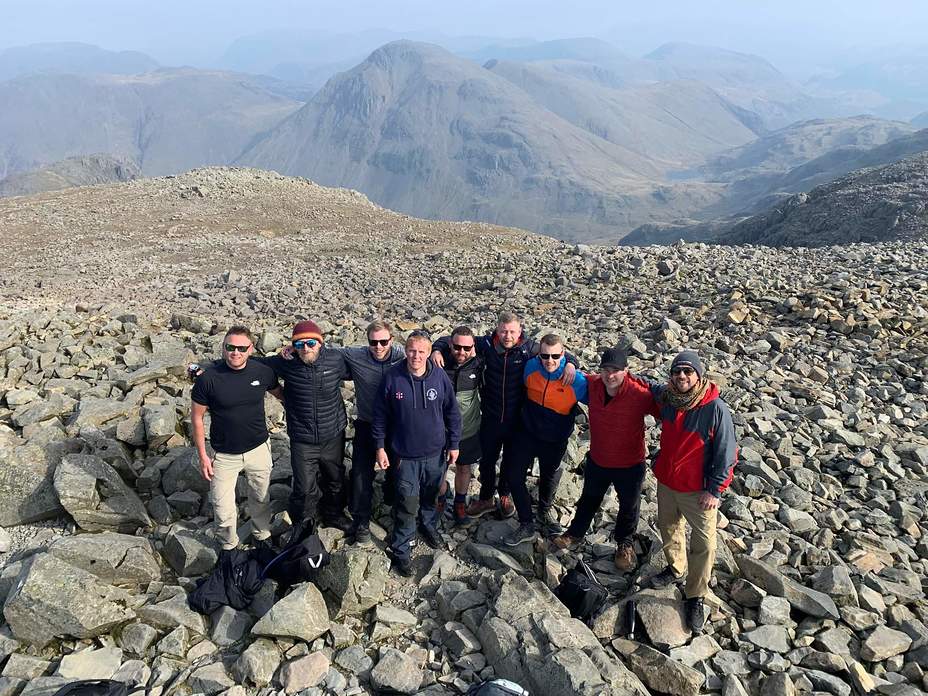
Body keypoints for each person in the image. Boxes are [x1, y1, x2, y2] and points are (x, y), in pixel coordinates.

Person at [431, 312, 576, 520]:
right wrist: (437, 349)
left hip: (517, 420)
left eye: (512, 332)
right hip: (490, 417)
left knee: (511, 460)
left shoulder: (529, 348)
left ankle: (505, 495)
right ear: (497, 330)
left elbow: (558, 352)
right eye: (504, 331)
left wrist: (570, 363)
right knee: (487, 461)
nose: (508, 336)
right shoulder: (486, 344)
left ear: (520, 331)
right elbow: (453, 339)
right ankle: (486, 498)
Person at [648, 350, 737, 633]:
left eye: (688, 372)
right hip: (667, 482)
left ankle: (696, 594)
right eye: (677, 372)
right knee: (669, 527)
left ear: (699, 375)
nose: (682, 376)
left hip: (698, 490)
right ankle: (675, 568)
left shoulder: (714, 408)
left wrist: (715, 490)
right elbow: (646, 386)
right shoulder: (670, 399)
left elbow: (727, 453)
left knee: (704, 544)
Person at [552, 347, 660, 573]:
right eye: (606, 369)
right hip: (599, 459)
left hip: (630, 464)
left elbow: (667, 408)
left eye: (616, 370)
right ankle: (575, 534)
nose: (610, 375)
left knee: (629, 506)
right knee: (589, 499)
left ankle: (624, 544)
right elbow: (557, 363)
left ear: (626, 371)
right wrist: (570, 362)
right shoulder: (592, 385)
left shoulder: (639, 394)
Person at [373, 332, 462, 577]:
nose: (416, 356)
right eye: (412, 350)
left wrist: (454, 444)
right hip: (405, 457)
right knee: (407, 503)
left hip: (436, 453)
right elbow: (380, 416)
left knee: (431, 496)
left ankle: (428, 525)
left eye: (421, 352)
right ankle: (402, 549)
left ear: (429, 352)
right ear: (405, 350)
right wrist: (380, 447)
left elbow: (452, 413)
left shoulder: (439, 377)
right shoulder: (393, 377)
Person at [190, 326, 282, 551]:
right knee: (222, 507)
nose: (236, 353)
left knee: (260, 497)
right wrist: (203, 456)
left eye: (242, 348)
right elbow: (197, 419)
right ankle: (229, 546)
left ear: (250, 349)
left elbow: (281, 395)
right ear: (223, 348)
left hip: (258, 448)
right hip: (223, 453)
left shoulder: (262, 372)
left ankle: (262, 535)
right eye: (230, 347)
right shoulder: (207, 379)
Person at [263, 320, 353, 538]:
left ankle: (333, 514)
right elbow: (249, 363)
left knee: (335, 479)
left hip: (333, 433)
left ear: (320, 343)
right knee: (304, 487)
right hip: (302, 437)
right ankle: (304, 522)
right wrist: (205, 369)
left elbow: (369, 359)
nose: (306, 348)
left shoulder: (336, 359)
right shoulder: (286, 362)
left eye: (311, 343)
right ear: (293, 346)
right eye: (300, 344)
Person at [501, 334, 587, 546]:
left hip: (555, 439)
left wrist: (572, 365)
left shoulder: (576, 380)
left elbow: (604, 400)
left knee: (549, 476)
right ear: (539, 355)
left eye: (555, 356)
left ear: (563, 354)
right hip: (527, 433)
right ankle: (526, 523)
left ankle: (544, 511)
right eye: (545, 356)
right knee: (513, 476)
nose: (549, 361)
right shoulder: (530, 367)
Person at [339, 320, 405, 544]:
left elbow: (424, 349)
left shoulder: (402, 355)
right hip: (367, 423)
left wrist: (440, 349)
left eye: (383, 341)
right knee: (359, 474)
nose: (378, 346)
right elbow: (326, 352)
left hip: (396, 426)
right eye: (373, 342)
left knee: (399, 472)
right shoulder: (356, 355)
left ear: (392, 340)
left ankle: (394, 504)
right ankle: (362, 521)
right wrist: (293, 348)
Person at [435, 325, 485, 525]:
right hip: (440, 429)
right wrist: (436, 349)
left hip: (468, 428)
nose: (461, 352)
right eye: (456, 347)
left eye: (466, 348)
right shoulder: (438, 361)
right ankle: (439, 500)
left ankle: (460, 503)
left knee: (464, 468)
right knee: (440, 468)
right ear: (450, 344)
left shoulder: (479, 361)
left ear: (473, 346)